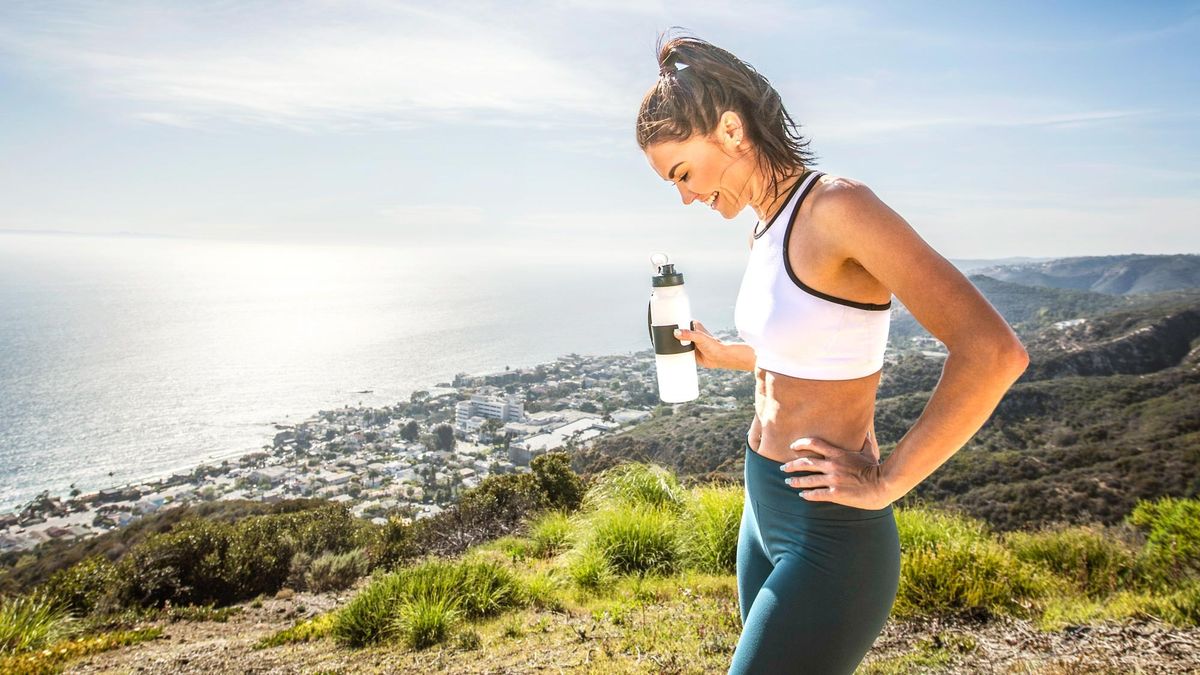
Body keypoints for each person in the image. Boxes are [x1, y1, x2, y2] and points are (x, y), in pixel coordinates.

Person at [635, 32, 1029, 675]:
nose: (684, 197)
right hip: (762, 507)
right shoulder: (765, 223)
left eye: (683, 173)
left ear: (731, 130)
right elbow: (804, 354)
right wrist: (722, 354)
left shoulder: (839, 207)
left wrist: (888, 480)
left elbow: (993, 352)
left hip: (828, 531)